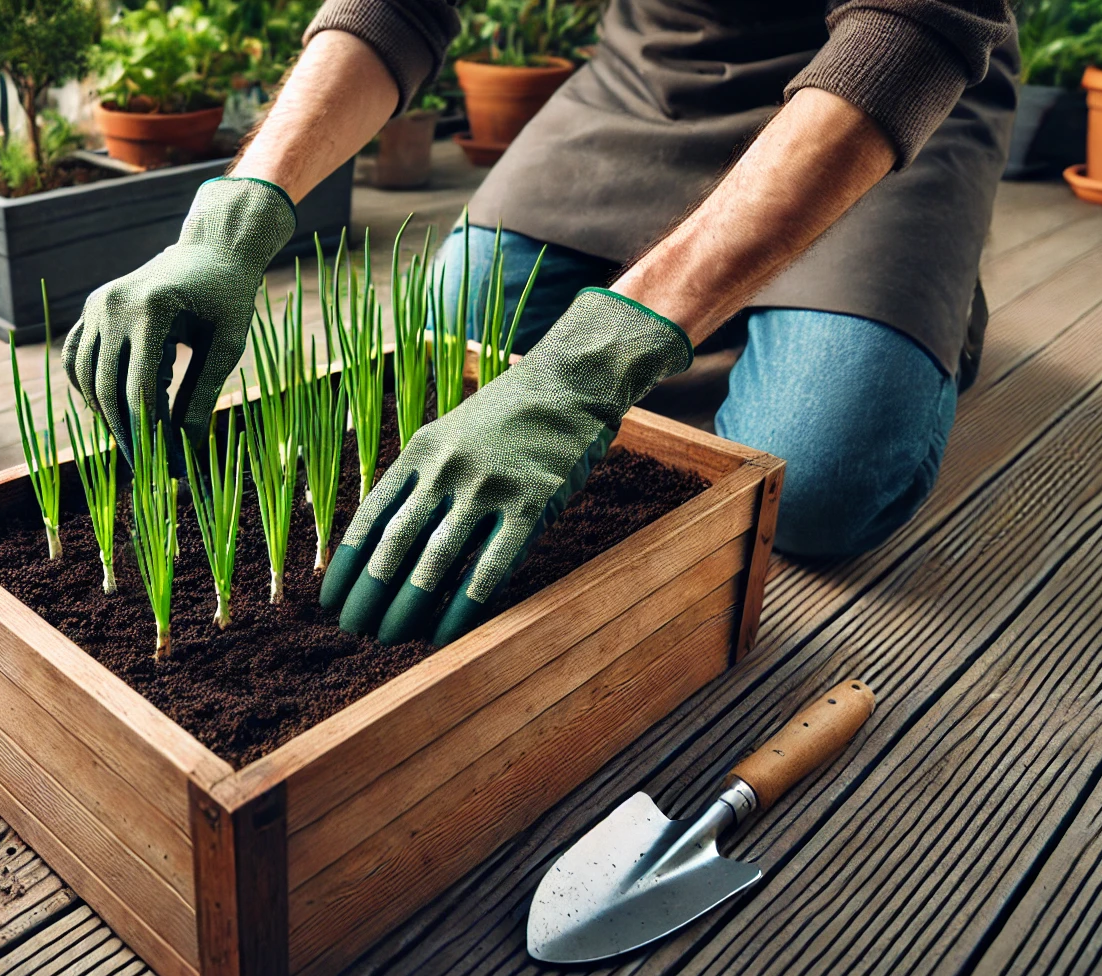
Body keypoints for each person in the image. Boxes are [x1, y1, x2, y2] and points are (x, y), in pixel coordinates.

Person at [62, 0, 1018, 647]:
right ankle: (723, 303)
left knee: (815, 482)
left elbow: (913, 28)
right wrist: (234, 220)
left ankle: (884, 299)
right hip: (655, 78)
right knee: (447, 339)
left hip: (886, 102)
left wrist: (588, 368)